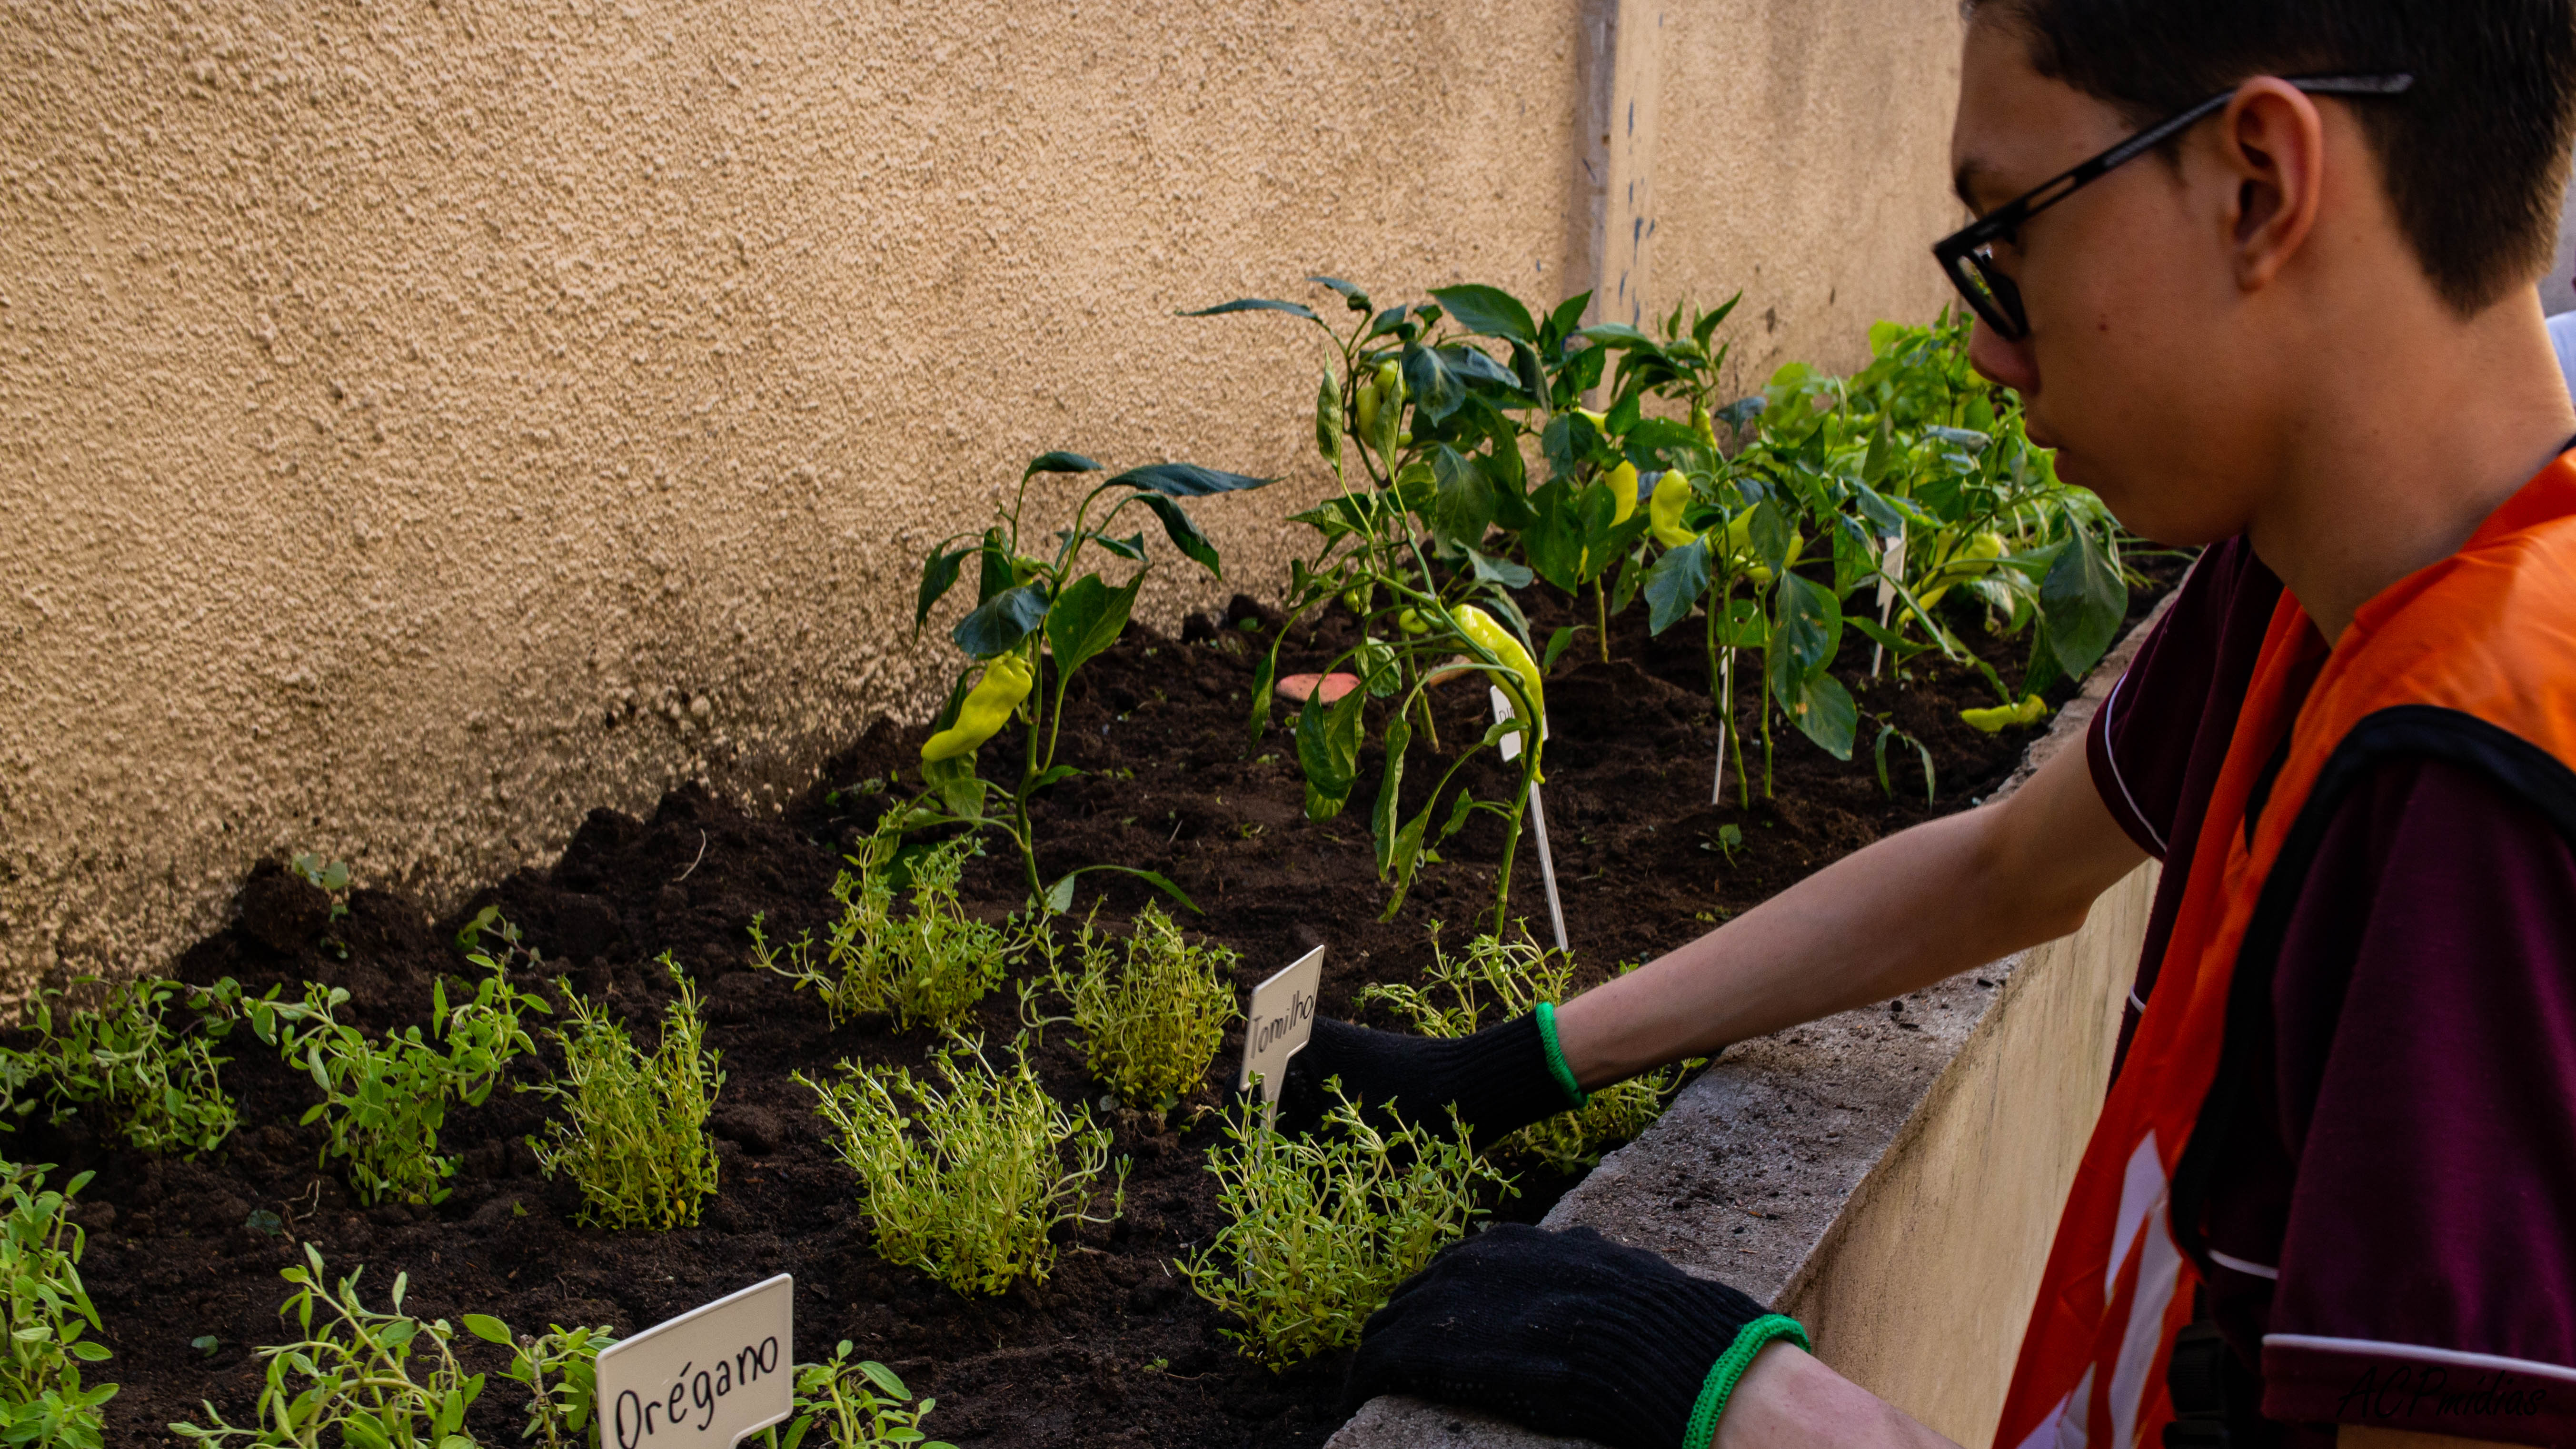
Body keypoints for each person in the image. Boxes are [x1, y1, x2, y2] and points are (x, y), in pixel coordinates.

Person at [1289, 4, 2576, 1447]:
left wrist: (1765, 1406)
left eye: (2010, 236)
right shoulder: (2315, 589)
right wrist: (1506, 1068)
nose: (1980, 347)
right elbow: (2001, 869)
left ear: (2258, 185)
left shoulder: (2486, 787)